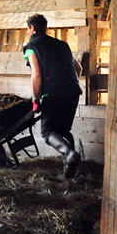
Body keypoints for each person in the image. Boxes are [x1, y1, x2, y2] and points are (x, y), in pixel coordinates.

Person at [23, 14, 83, 178]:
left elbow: (36, 74)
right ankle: (69, 173)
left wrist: (36, 99)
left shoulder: (31, 47)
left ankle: (69, 154)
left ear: (32, 28)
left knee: (48, 131)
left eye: (28, 29)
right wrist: (68, 83)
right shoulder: (62, 45)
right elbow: (78, 69)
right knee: (63, 130)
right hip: (73, 91)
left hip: (54, 93)